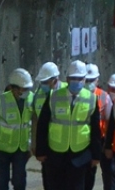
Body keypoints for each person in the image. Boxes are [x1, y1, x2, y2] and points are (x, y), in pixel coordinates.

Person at [35, 61, 104, 190]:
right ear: (67, 79)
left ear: (84, 80)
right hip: (55, 154)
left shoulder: (91, 99)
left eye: (79, 78)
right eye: (73, 78)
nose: (76, 81)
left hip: (80, 154)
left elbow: (95, 130)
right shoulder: (53, 97)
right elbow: (42, 125)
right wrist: (41, 150)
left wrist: (96, 155)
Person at [0, 69, 36, 190]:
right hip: (2, 149)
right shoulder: (1, 101)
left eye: (28, 89)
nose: (27, 92)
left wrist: (33, 146)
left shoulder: (32, 99)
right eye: (24, 89)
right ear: (14, 88)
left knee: (19, 181)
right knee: (2, 182)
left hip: (21, 148)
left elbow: (35, 123)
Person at [87, 72, 115, 190]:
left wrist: (108, 144)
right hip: (87, 140)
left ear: (98, 80)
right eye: (87, 79)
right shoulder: (80, 95)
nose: (89, 83)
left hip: (103, 139)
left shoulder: (103, 96)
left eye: (92, 80)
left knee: (109, 172)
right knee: (88, 172)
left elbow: (109, 122)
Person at [31, 62, 61, 156]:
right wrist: (34, 143)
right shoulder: (37, 95)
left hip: (62, 144)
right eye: (41, 82)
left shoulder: (65, 92)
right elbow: (35, 120)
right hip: (45, 142)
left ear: (55, 80)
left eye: (45, 82)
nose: (43, 85)